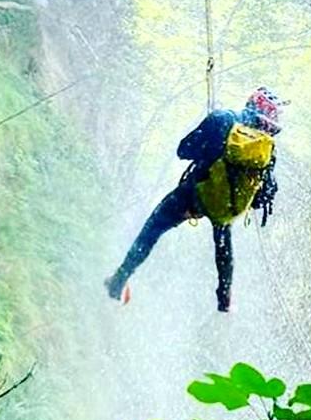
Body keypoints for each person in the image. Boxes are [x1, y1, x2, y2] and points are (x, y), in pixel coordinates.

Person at [105, 87, 285, 312]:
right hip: (224, 208)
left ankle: (120, 278)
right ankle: (225, 297)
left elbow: (183, 150)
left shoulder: (223, 119)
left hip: (192, 195)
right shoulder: (266, 150)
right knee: (223, 241)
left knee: (153, 228)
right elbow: (263, 197)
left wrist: (209, 140)